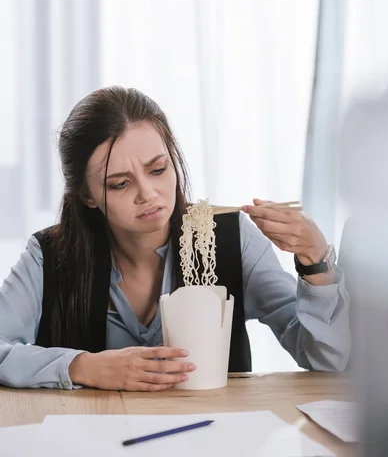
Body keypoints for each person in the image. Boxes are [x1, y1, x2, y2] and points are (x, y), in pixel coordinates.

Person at [0, 87, 350, 391]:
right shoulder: (50, 255)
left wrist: (315, 259)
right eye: (120, 184)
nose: (148, 194)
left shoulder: (230, 238)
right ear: (88, 196)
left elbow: (325, 359)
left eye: (158, 169)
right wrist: (84, 367)